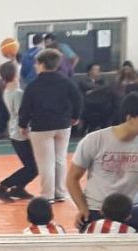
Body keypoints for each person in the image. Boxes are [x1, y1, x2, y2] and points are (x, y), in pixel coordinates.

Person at [67, 92, 138, 229]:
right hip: (98, 209)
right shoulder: (94, 140)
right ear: (130, 117)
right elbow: (72, 178)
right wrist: (83, 209)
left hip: (131, 210)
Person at [18, 49, 83, 202]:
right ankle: (60, 192)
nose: (35, 66)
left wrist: (22, 124)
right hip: (63, 125)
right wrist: (75, 116)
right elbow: (78, 99)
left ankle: (47, 195)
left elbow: (26, 107)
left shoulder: (34, 85)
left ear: (41, 64)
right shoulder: (66, 82)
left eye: (36, 63)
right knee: (60, 159)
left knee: (45, 161)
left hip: (41, 127)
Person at [0, 61, 38, 201]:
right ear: (15, 74)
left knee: (31, 166)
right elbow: (21, 114)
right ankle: (3, 186)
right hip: (21, 133)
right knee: (33, 167)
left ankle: (19, 188)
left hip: (14, 131)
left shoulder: (7, 90)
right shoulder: (18, 93)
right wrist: (28, 131)